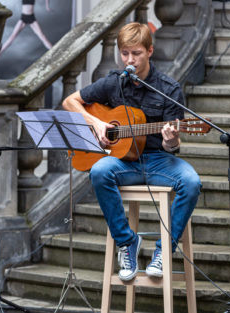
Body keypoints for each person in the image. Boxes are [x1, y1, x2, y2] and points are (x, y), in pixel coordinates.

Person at [62, 22, 201, 281]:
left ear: (150, 51)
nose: (129, 60)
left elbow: (173, 147)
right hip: (124, 162)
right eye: (124, 53)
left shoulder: (169, 89)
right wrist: (98, 123)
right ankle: (127, 242)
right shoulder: (113, 83)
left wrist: (171, 140)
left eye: (135, 53)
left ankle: (164, 250)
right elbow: (70, 101)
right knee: (99, 171)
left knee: (191, 182)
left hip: (159, 160)